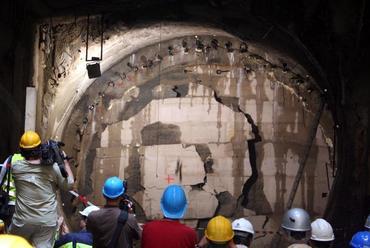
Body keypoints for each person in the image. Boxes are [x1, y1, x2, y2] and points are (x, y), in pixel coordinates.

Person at [8, 130, 74, 248]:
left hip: (23, 221)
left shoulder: (16, 167)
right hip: (46, 221)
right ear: (40, 148)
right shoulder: (53, 169)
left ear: (22, 151)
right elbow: (69, 185)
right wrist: (64, 161)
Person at [86, 176, 141, 248]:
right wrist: (130, 214)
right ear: (121, 195)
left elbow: (89, 235)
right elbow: (138, 237)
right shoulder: (129, 218)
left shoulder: (92, 217)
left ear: (104, 195)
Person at [0, 153, 24, 227]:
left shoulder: (11, 159)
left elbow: (1, 180)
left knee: (11, 236)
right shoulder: (38, 161)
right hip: (30, 206)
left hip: (11, 205)